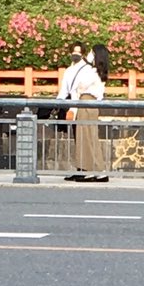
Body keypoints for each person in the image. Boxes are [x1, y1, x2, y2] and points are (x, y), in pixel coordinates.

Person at [56, 41, 107, 183]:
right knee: (88, 137)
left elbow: (81, 85)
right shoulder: (96, 70)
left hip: (85, 101)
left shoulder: (92, 70)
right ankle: (93, 169)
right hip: (87, 102)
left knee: (86, 137)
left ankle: (88, 169)